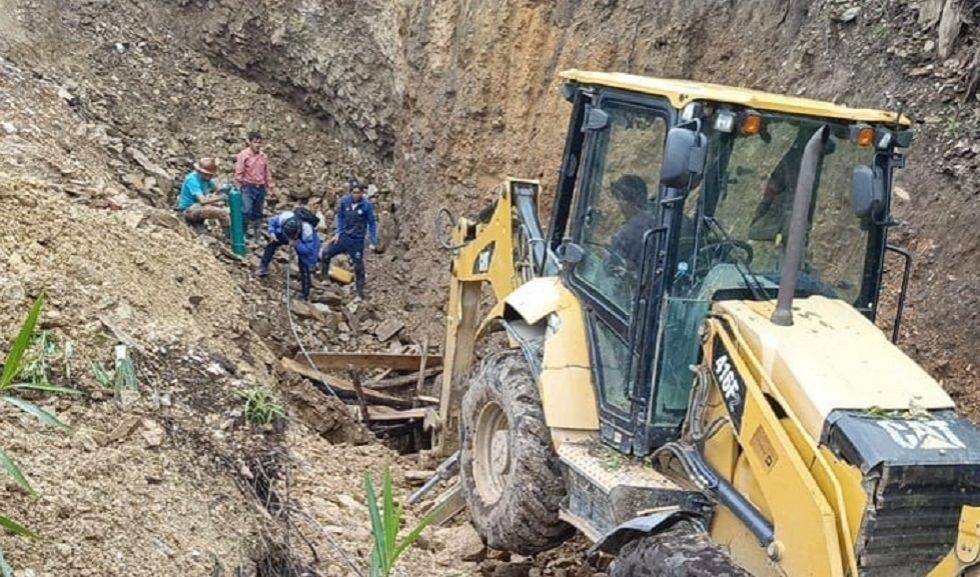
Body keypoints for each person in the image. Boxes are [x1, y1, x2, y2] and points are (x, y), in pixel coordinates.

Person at [320, 179, 378, 299]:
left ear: (362, 193)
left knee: (358, 266)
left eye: (358, 192)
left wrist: (373, 241)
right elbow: (340, 217)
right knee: (326, 253)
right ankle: (324, 278)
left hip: (357, 240)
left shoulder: (367, 206)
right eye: (354, 192)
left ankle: (360, 291)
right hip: (344, 236)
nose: (356, 194)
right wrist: (338, 233)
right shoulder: (344, 201)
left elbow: (372, 224)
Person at [256, 209, 322, 301]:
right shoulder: (285, 217)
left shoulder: (307, 231)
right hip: (286, 235)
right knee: (272, 244)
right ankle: (263, 267)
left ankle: (305, 294)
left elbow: (309, 250)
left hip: (301, 241)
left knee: (304, 265)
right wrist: (272, 232)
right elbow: (272, 221)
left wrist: (297, 244)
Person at [235, 131, 275, 242]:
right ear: (249, 142)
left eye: (260, 143)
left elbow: (267, 172)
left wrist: (270, 186)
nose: (258, 145)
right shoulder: (244, 155)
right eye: (255, 142)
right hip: (248, 187)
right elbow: (239, 171)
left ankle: (257, 237)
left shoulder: (263, 156)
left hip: (260, 187)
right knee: (246, 210)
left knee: (258, 212)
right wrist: (238, 186)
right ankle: (242, 234)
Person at [178, 157, 230, 227]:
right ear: (199, 171)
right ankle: (228, 236)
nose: (209, 177)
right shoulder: (192, 180)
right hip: (189, 209)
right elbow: (202, 201)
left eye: (211, 175)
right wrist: (220, 198)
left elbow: (217, 189)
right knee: (222, 213)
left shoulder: (206, 179)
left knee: (220, 206)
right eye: (206, 174)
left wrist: (226, 189)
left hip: (198, 206)